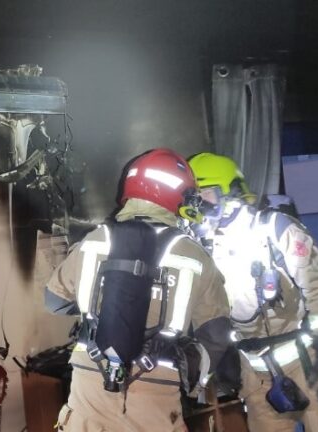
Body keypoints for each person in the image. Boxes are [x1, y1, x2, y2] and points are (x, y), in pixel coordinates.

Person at [44, 148, 236, 432]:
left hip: (89, 392)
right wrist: (196, 380)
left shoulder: (94, 240)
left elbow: (54, 301)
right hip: (156, 395)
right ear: (175, 196)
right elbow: (218, 334)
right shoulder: (194, 256)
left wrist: (102, 301)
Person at [188, 152, 318, 432]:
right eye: (195, 197)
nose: (200, 204)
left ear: (229, 190)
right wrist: (223, 360)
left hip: (308, 362)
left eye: (206, 193)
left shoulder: (275, 229)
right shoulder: (201, 245)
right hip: (254, 375)